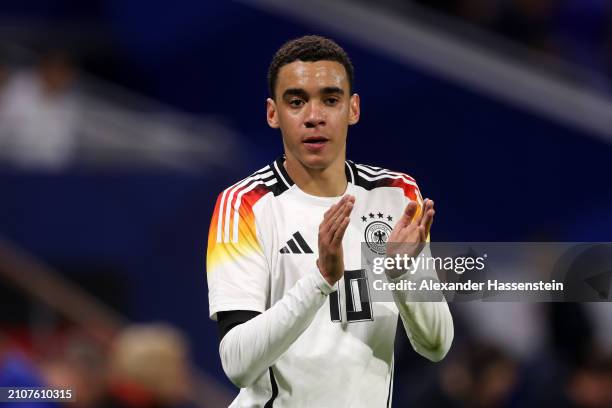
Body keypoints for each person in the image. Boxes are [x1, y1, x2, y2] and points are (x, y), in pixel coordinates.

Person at [206, 35, 453, 407]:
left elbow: (436, 345)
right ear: (273, 113)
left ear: (353, 108)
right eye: (296, 101)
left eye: (330, 99)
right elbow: (238, 364)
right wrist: (321, 277)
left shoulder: (397, 195)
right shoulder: (244, 205)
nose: (314, 116)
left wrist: (402, 275)